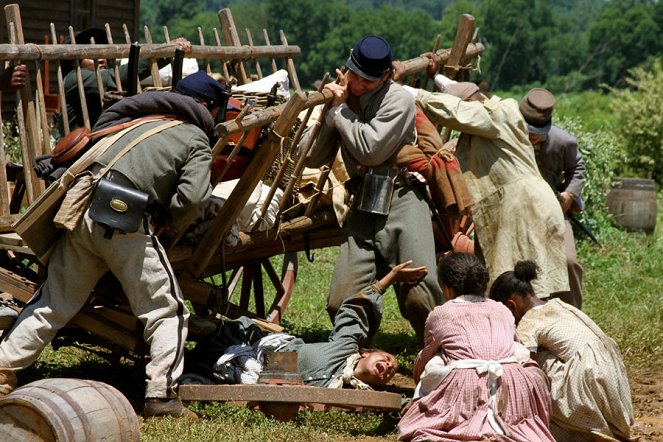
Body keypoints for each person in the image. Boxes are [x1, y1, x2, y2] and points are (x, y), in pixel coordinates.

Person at [0, 70, 228, 419]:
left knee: (53, 303)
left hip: (80, 214)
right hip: (125, 221)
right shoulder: (195, 137)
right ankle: (162, 396)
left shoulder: (138, 123)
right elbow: (193, 199)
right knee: (169, 311)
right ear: (208, 108)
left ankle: (2, 367)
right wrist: (172, 224)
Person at [300, 35, 443, 342]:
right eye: (352, 73)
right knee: (341, 302)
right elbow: (313, 156)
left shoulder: (398, 99)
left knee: (420, 295)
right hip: (365, 198)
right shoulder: (343, 99)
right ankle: (355, 355)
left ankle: (440, 354)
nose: (355, 82)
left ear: (384, 78)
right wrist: (328, 112)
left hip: (403, 194)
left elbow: (370, 150)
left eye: (365, 79)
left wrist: (340, 113)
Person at [400, 56, 569, 298]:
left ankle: (524, 329)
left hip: (525, 206)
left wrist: (403, 90)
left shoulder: (498, 114)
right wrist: (436, 75)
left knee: (523, 282)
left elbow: (455, 109)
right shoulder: (495, 115)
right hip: (526, 204)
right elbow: (455, 93)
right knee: (521, 275)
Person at [187, 261, 426, 389]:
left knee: (198, 373)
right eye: (387, 359)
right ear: (365, 354)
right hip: (256, 346)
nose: (388, 366)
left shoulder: (352, 393)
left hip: (251, 374)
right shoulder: (345, 347)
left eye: (391, 371)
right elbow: (355, 311)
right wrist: (390, 278)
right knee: (212, 338)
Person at [398, 253, 554, 441]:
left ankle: (466, 425)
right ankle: (503, 427)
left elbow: (427, 356)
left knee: (437, 360)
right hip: (512, 387)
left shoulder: (441, 313)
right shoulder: (502, 309)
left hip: (466, 386)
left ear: (446, 289)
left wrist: (419, 385)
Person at [489, 260, 633, 441]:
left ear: (511, 306)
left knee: (528, 363)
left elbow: (524, 374)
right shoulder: (559, 304)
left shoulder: (528, 323)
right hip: (614, 378)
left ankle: (584, 427)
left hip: (587, 377)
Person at [55, 27, 192, 140]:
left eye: (103, 55)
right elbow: (116, 78)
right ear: (76, 61)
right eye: (92, 56)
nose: (102, 60)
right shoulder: (76, 78)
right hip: (74, 150)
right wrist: (164, 52)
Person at [520, 87, 586, 308]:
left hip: (554, 210)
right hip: (518, 211)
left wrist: (570, 194)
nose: (532, 137)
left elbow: (578, 168)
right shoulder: (507, 138)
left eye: (537, 132)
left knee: (568, 262)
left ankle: (574, 316)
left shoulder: (564, 142)